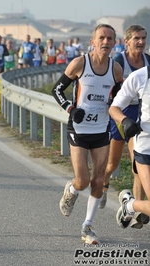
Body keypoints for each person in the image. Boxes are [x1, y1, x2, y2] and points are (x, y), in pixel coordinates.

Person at [51, 24, 123, 244]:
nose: (106, 42)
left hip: (101, 128)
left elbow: (119, 96)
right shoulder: (80, 63)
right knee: (82, 180)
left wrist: (113, 104)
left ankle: (87, 227)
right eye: (102, 38)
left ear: (114, 42)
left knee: (99, 180)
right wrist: (71, 109)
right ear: (93, 41)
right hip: (79, 129)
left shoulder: (116, 69)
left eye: (110, 38)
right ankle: (72, 190)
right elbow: (57, 90)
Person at [100, 25, 150, 229]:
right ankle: (103, 186)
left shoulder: (147, 61)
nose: (140, 42)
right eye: (136, 38)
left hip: (139, 116)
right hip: (122, 116)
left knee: (136, 167)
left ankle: (138, 211)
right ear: (127, 41)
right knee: (112, 164)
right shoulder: (119, 61)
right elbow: (110, 94)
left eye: (143, 38)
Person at [109, 65, 150, 230]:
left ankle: (130, 205)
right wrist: (125, 121)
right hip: (145, 150)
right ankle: (131, 206)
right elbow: (114, 108)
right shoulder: (140, 76)